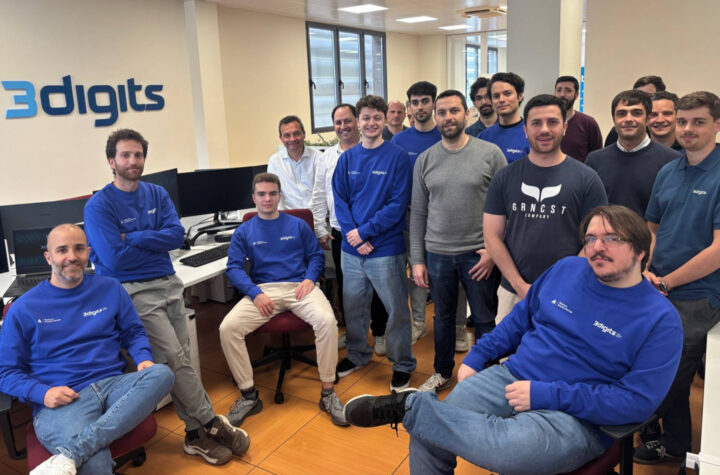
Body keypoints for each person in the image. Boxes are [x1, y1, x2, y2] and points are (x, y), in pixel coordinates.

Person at [344, 205, 683, 475]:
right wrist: (477, 357)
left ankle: (411, 407)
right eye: (591, 238)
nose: (597, 247)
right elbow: (520, 320)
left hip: (576, 416)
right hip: (512, 377)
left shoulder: (660, 320)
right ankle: (417, 411)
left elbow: (637, 402)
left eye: (612, 239)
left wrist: (546, 394)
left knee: (504, 449)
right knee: (428, 434)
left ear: (641, 251)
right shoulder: (567, 268)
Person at [83, 129, 248, 465]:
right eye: (125, 155)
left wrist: (132, 237)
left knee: (180, 359)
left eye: (138, 155)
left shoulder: (157, 194)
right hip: (132, 291)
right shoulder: (99, 206)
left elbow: (175, 237)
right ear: (111, 161)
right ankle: (210, 421)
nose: (133, 161)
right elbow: (114, 259)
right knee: (173, 357)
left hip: (170, 283)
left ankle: (193, 436)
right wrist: (151, 241)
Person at [0, 224, 178, 475]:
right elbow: (5, 372)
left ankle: (71, 454)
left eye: (79, 248)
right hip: (63, 400)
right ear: (48, 257)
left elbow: (133, 332)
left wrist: (143, 359)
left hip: (112, 385)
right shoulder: (23, 308)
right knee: (94, 462)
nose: (72, 256)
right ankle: (79, 453)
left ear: (88, 253)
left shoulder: (110, 288)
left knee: (162, 374)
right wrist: (42, 393)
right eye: (62, 250)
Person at [218, 173, 347, 427]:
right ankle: (248, 396)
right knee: (228, 328)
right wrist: (254, 293)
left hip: (300, 287)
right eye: (262, 194)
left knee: (327, 321)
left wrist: (310, 279)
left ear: (279, 196)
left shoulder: (297, 225)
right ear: (254, 198)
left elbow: (316, 256)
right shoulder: (244, 231)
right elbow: (233, 268)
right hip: (263, 291)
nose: (267, 199)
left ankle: (328, 394)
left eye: (272, 193)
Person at [634, 91, 720, 465]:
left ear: (717, 125)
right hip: (657, 286)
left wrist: (668, 282)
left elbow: (718, 250)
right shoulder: (669, 171)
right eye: (683, 121)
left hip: (699, 294)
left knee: (670, 375)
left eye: (698, 121)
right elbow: (652, 229)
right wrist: (645, 271)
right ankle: (676, 445)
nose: (687, 129)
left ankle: (650, 431)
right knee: (660, 367)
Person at [409, 90, 506, 393]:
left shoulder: (491, 154)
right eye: (442, 112)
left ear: (467, 113)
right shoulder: (425, 160)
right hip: (437, 254)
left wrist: (494, 252)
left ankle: (487, 379)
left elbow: (507, 207)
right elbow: (418, 213)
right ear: (435, 117)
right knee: (442, 318)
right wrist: (417, 260)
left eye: (454, 111)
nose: (448, 117)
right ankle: (442, 372)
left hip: (479, 254)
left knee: (484, 319)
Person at [483, 95, 607, 323]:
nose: (544, 130)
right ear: (525, 130)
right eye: (536, 123)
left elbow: (596, 239)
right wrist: (520, 286)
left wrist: (561, 285)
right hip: (514, 292)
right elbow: (492, 236)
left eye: (552, 122)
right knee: (510, 347)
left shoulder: (587, 179)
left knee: (564, 347)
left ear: (565, 128)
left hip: (570, 292)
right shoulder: (505, 177)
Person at [333, 95, 417, 391]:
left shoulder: (398, 157)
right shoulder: (347, 159)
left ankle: (402, 363)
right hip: (352, 250)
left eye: (377, 118)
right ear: (358, 121)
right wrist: (354, 236)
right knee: (354, 307)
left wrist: (365, 233)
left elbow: (397, 204)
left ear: (385, 120)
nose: (371, 123)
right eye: (366, 118)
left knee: (396, 310)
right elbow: (340, 201)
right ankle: (358, 354)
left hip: (385, 248)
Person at [309, 104, 389, 355]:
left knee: (378, 288)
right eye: (338, 122)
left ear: (357, 121)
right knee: (349, 289)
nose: (343, 126)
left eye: (347, 121)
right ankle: (355, 334)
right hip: (340, 232)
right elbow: (319, 195)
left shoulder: (375, 151)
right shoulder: (326, 158)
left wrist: (365, 232)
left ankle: (380, 332)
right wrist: (320, 228)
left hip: (372, 231)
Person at [391, 81, 442, 344]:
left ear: (433, 103)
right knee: (416, 270)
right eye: (415, 102)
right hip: (410, 216)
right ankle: (419, 322)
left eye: (425, 101)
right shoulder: (399, 140)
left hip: (442, 217)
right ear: (409, 106)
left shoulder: (444, 135)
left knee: (443, 271)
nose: (420, 107)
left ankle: (447, 323)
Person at [586, 90, 680, 217]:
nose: (628, 119)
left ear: (647, 119)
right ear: (614, 119)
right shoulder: (595, 160)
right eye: (621, 113)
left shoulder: (673, 161)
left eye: (636, 113)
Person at [267, 115, 319, 209]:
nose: (292, 139)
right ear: (281, 138)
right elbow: (274, 194)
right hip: (287, 216)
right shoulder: (274, 162)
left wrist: (307, 213)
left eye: (296, 133)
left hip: (316, 214)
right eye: (287, 135)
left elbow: (321, 192)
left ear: (304, 134)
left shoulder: (319, 158)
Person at [478, 72, 531, 163]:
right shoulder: (483, 137)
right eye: (496, 96)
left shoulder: (532, 133)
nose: (501, 100)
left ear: (519, 96)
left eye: (507, 94)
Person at [604, 75, 667, 146]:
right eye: (637, 96)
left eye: (648, 96)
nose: (642, 100)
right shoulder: (619, 131)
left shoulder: (669, 127)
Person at [554, 75, 603, 162]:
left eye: (568, 90)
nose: (562, 94)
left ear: (576, 95)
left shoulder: (588, 123)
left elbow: (597, 159)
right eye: (559, 90)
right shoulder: (545, 123)